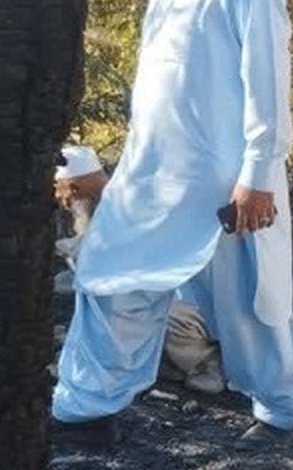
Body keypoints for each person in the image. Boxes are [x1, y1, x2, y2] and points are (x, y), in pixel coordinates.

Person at [51, 0, 293, 449]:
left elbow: (266, 78)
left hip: (228, 176)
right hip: (156, 172)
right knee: (111, 276)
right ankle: (86, 408)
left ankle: (277, 413)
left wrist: (258, 174)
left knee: (247, 301)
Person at [52, 144, 228, 395]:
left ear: (74, 187)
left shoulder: (131, 205)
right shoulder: (101, 205)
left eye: (62, 193)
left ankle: (205, 361)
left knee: (154, 318)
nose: (62, 201)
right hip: (146, 297)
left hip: (189, 302)